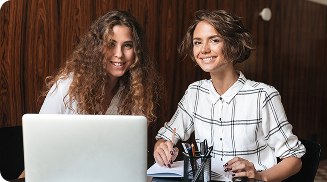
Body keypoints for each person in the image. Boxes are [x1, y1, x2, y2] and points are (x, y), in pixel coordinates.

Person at [153, 10, 305, 182]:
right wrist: (162, 147)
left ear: (234, 45)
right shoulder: (194, 92)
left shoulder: (263, 95)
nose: (204, 49)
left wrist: (260, 176)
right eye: (197, 42)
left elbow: (294, 159)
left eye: (214, 40)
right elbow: (166, 136)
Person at [18, 9, 162, 179]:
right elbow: (37, 151)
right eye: (111, 44)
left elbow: (130, 158)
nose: (119, 54)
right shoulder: (67, 87)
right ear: (97, 47)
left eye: (128, 45)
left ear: (137, 51)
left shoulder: (137, 93)